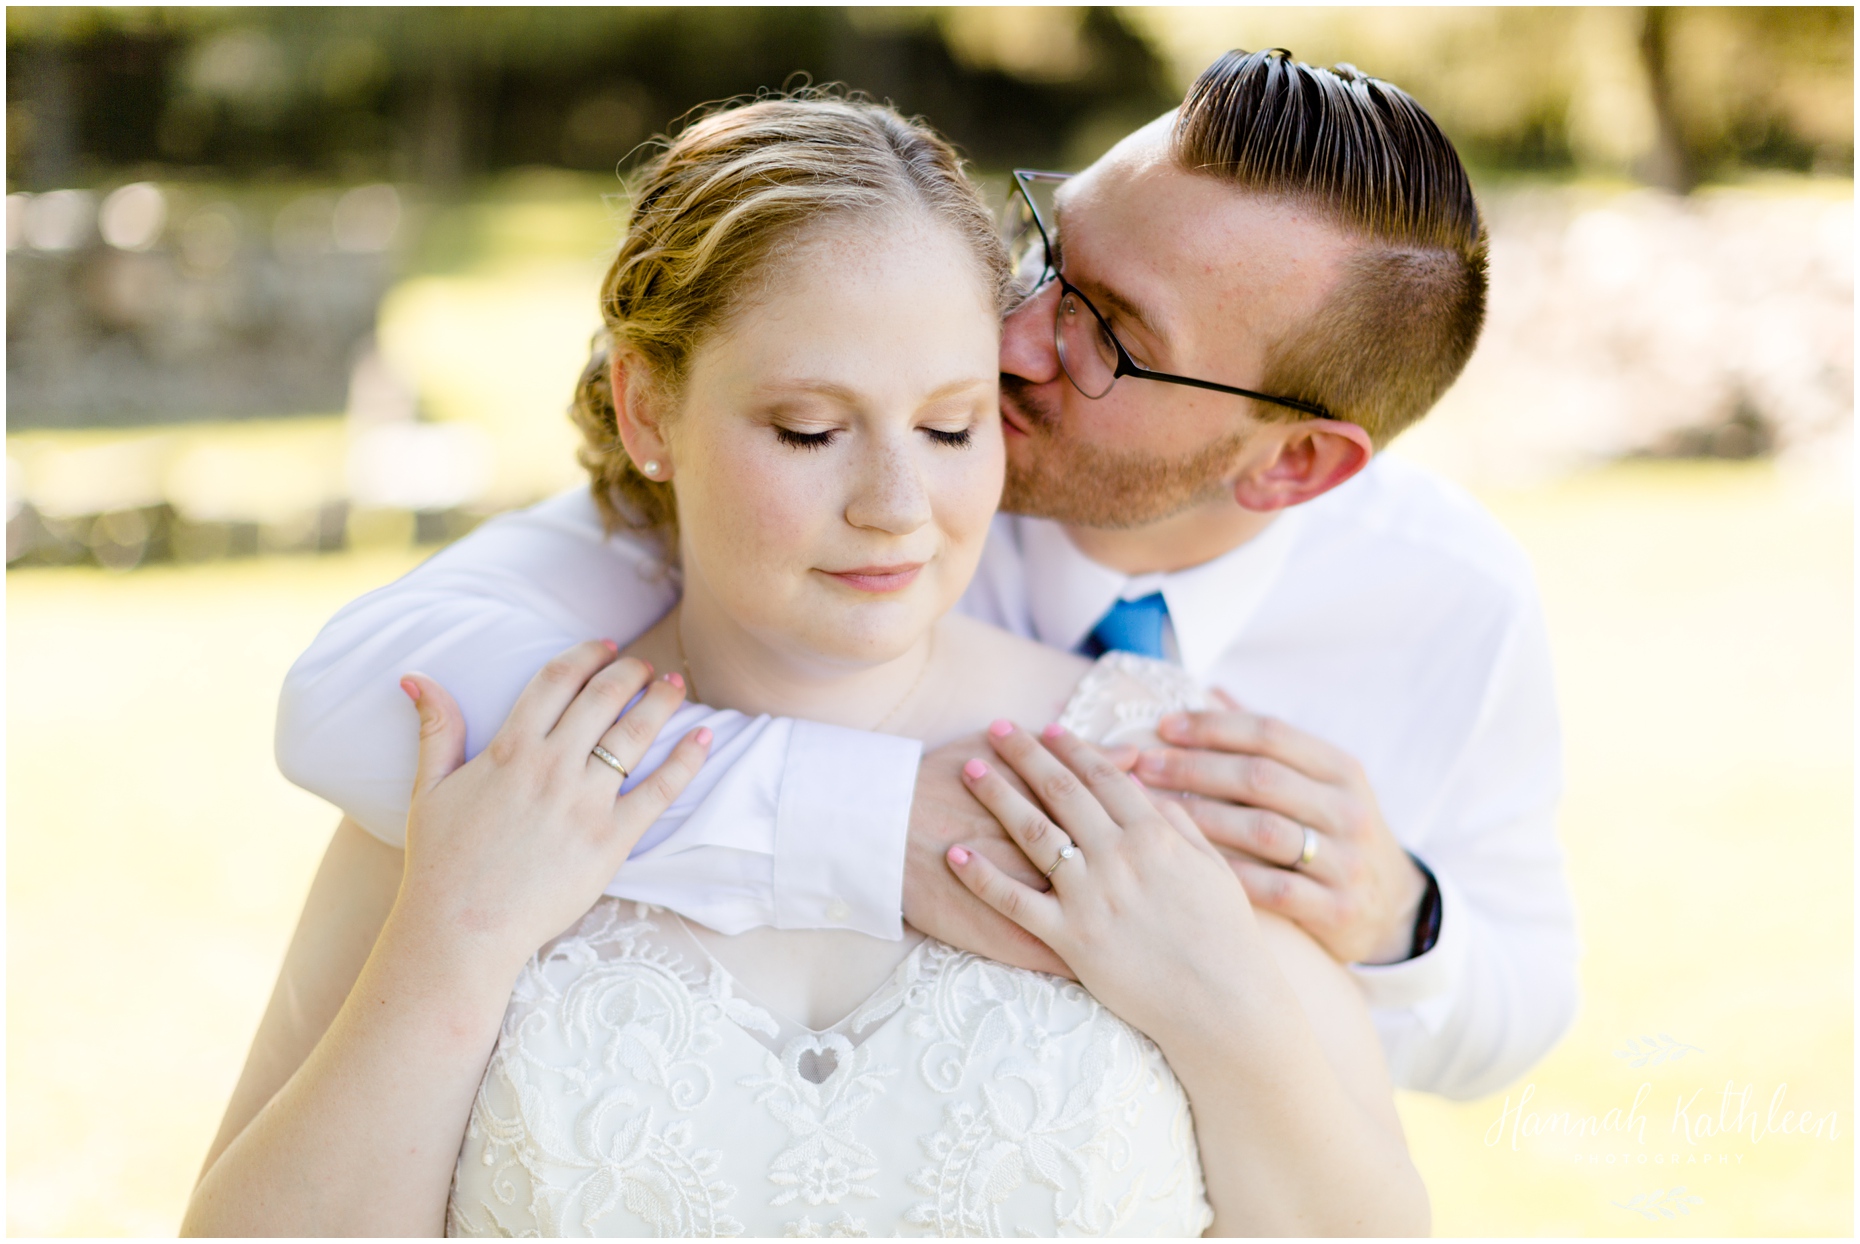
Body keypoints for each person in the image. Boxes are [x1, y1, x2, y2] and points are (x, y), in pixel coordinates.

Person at [185, 93, 1426, 1237]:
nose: (897, 503)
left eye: (954, 425)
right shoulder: (504, 773)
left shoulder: (1163, 769)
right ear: (647, 413)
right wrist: (453, 944)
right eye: (809, 429)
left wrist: (1226, 1009)